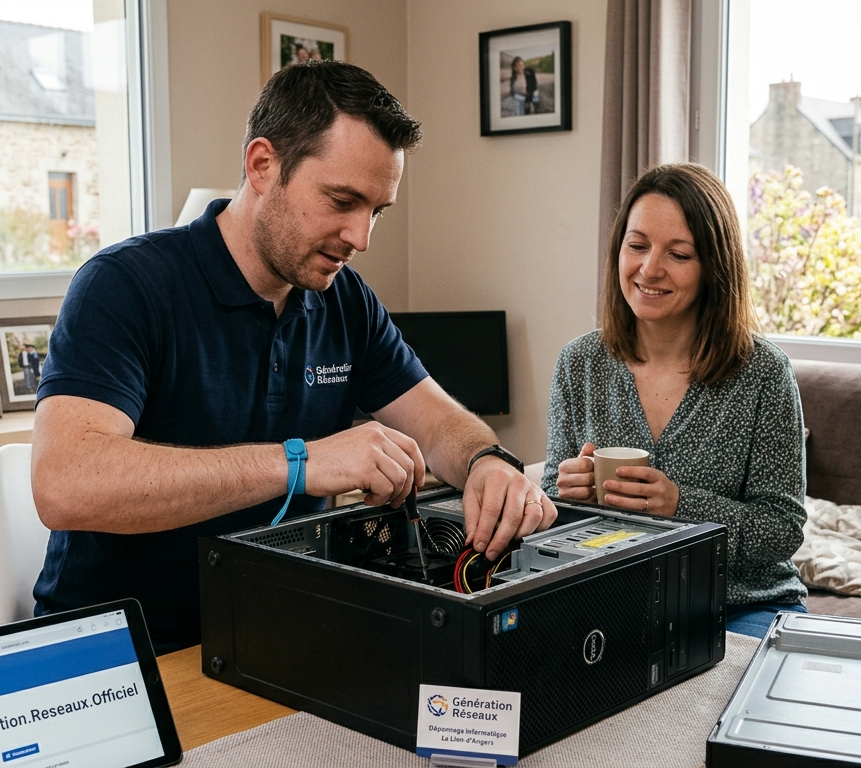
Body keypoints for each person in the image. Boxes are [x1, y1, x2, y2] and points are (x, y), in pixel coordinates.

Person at [31, 60, 557, 654]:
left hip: (282, 629)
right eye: (342, 200)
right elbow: (65, 484)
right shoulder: (124, 285)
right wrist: (300, 464)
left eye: (377, 211)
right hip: (121, 648)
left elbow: (439, 422)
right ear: (262, 166)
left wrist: (486, 461)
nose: (361, 238)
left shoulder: (344, 300)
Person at [543, 164, 807, 640]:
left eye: (678, 254)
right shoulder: (579, 363)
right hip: (614, 603)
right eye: (637, 245)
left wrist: (681, 505)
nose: (649, 269)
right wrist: (566, 495)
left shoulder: (764, 373)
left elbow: (782, 530)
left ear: (714, 267)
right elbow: (548, 508)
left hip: (741, 606)